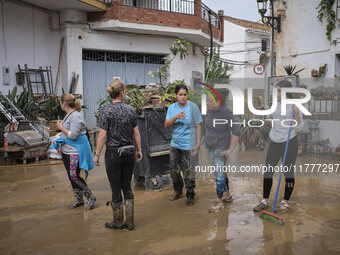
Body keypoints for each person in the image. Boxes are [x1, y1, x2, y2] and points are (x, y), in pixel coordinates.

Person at [94, 82, 142, 231]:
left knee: (116, 188)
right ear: (122, 94)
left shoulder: (106, 111)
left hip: (113, 154)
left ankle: (118, 222)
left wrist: (96, 154)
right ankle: (130, 222)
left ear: (110, 95)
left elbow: (102, 135)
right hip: (129, 152)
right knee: (127, 186)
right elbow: (136, 132)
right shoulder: (131, 110)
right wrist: (139, 150)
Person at [253, 80, 303, 213]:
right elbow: (272, 118)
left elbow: (299, 127)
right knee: (268, 172)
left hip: (289, 143)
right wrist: (270, 120)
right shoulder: (275, 105)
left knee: (288, 173)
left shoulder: (295, 106)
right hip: (274, 143)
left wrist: (296, 113)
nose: (276, 93)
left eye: (279, 91)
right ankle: (265, 200)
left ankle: (285, 201)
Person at [55, 94, 96, 210]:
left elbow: (73, 135)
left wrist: (60, 127)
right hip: (66, 150)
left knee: (74, 176)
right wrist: (60, 145)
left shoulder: (76, 116)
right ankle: (79, 199)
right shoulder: (69, 115)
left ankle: (90, 197)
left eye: (60, 102)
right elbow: (66, 134)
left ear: (64, 103)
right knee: (71, 176)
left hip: (75, 151)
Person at [165, 84, 202, 206]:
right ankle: (178, 191)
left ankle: (190, 194)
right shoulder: (171, 108)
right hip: (175, 144)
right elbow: (166, 125)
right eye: (180, 95)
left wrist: (198, 145)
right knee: (174, 170)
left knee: (188, 171)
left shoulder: (193, 107)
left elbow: (198, 126)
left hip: (189, 145)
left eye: (185, 95)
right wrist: (176, 117)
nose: (183, 97)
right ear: (176, 95)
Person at [205, 89, 240, 213]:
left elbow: (236, 131)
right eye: (207, 101)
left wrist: (230, 149)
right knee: (220, 172)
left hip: (220, 148)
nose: (207, 103)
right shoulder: (210, 111)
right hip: (211, 147)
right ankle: (227, 195)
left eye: (210, 101)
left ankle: (219, 202)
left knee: (218, 174)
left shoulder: (226, 113)